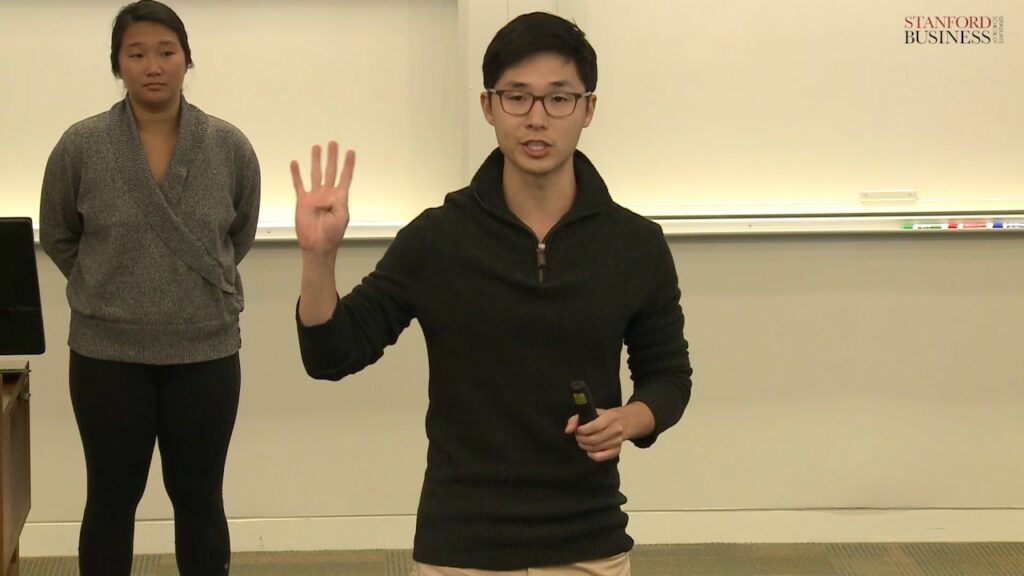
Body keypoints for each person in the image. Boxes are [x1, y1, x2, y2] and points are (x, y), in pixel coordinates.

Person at [292, 12, 691, 575]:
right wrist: (319, 258)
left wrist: (631, 418)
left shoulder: (635, 244)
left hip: (587, 537)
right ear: (488, 106)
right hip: (462, 541)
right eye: (517, 97)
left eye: (559, 99)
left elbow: (669, 377)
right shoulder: (438, 238)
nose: (537, 118)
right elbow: (332, 354)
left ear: (588, 109)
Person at [39, 1, 260, 574]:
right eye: (136, 54)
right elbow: (59, 235)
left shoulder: (229, 145)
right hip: (107, 355)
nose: (153, 66)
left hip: (205, 352)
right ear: (117, 64)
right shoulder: (81, 145)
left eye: (166, 51)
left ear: (188, 59)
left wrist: (192, 286)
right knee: (110, 499)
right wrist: (108, 287)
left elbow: (238, 234)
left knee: (200, 499)